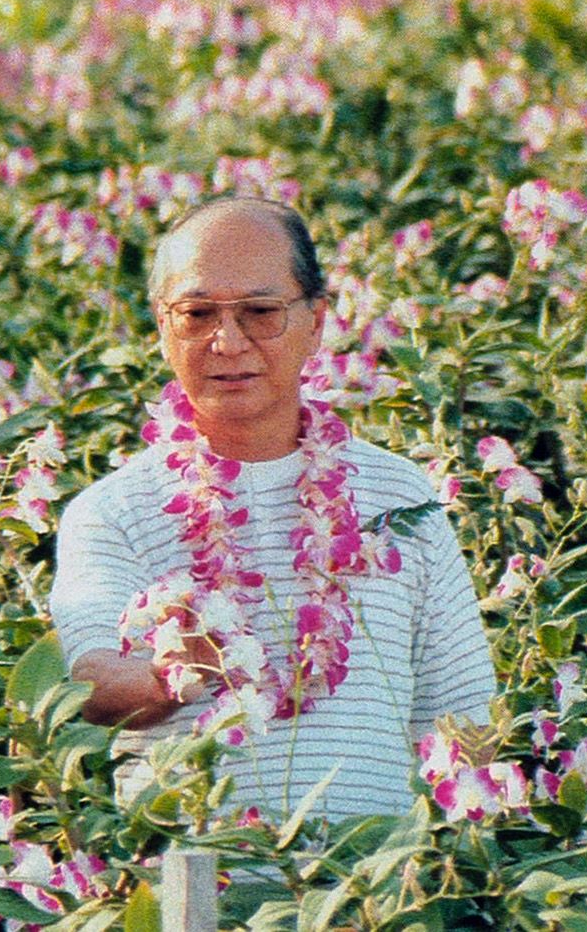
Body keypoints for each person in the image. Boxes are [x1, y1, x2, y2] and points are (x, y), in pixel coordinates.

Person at [49, 197, 495, 820]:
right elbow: (91, 682)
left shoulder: (400, 498)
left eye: (260, 312)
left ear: (315, 322)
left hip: (373, 894)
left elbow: (462, 706)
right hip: (195, 890)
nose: (227, 342)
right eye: (196, 313)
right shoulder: (112, 510)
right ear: (161, 328)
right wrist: (170, 676)